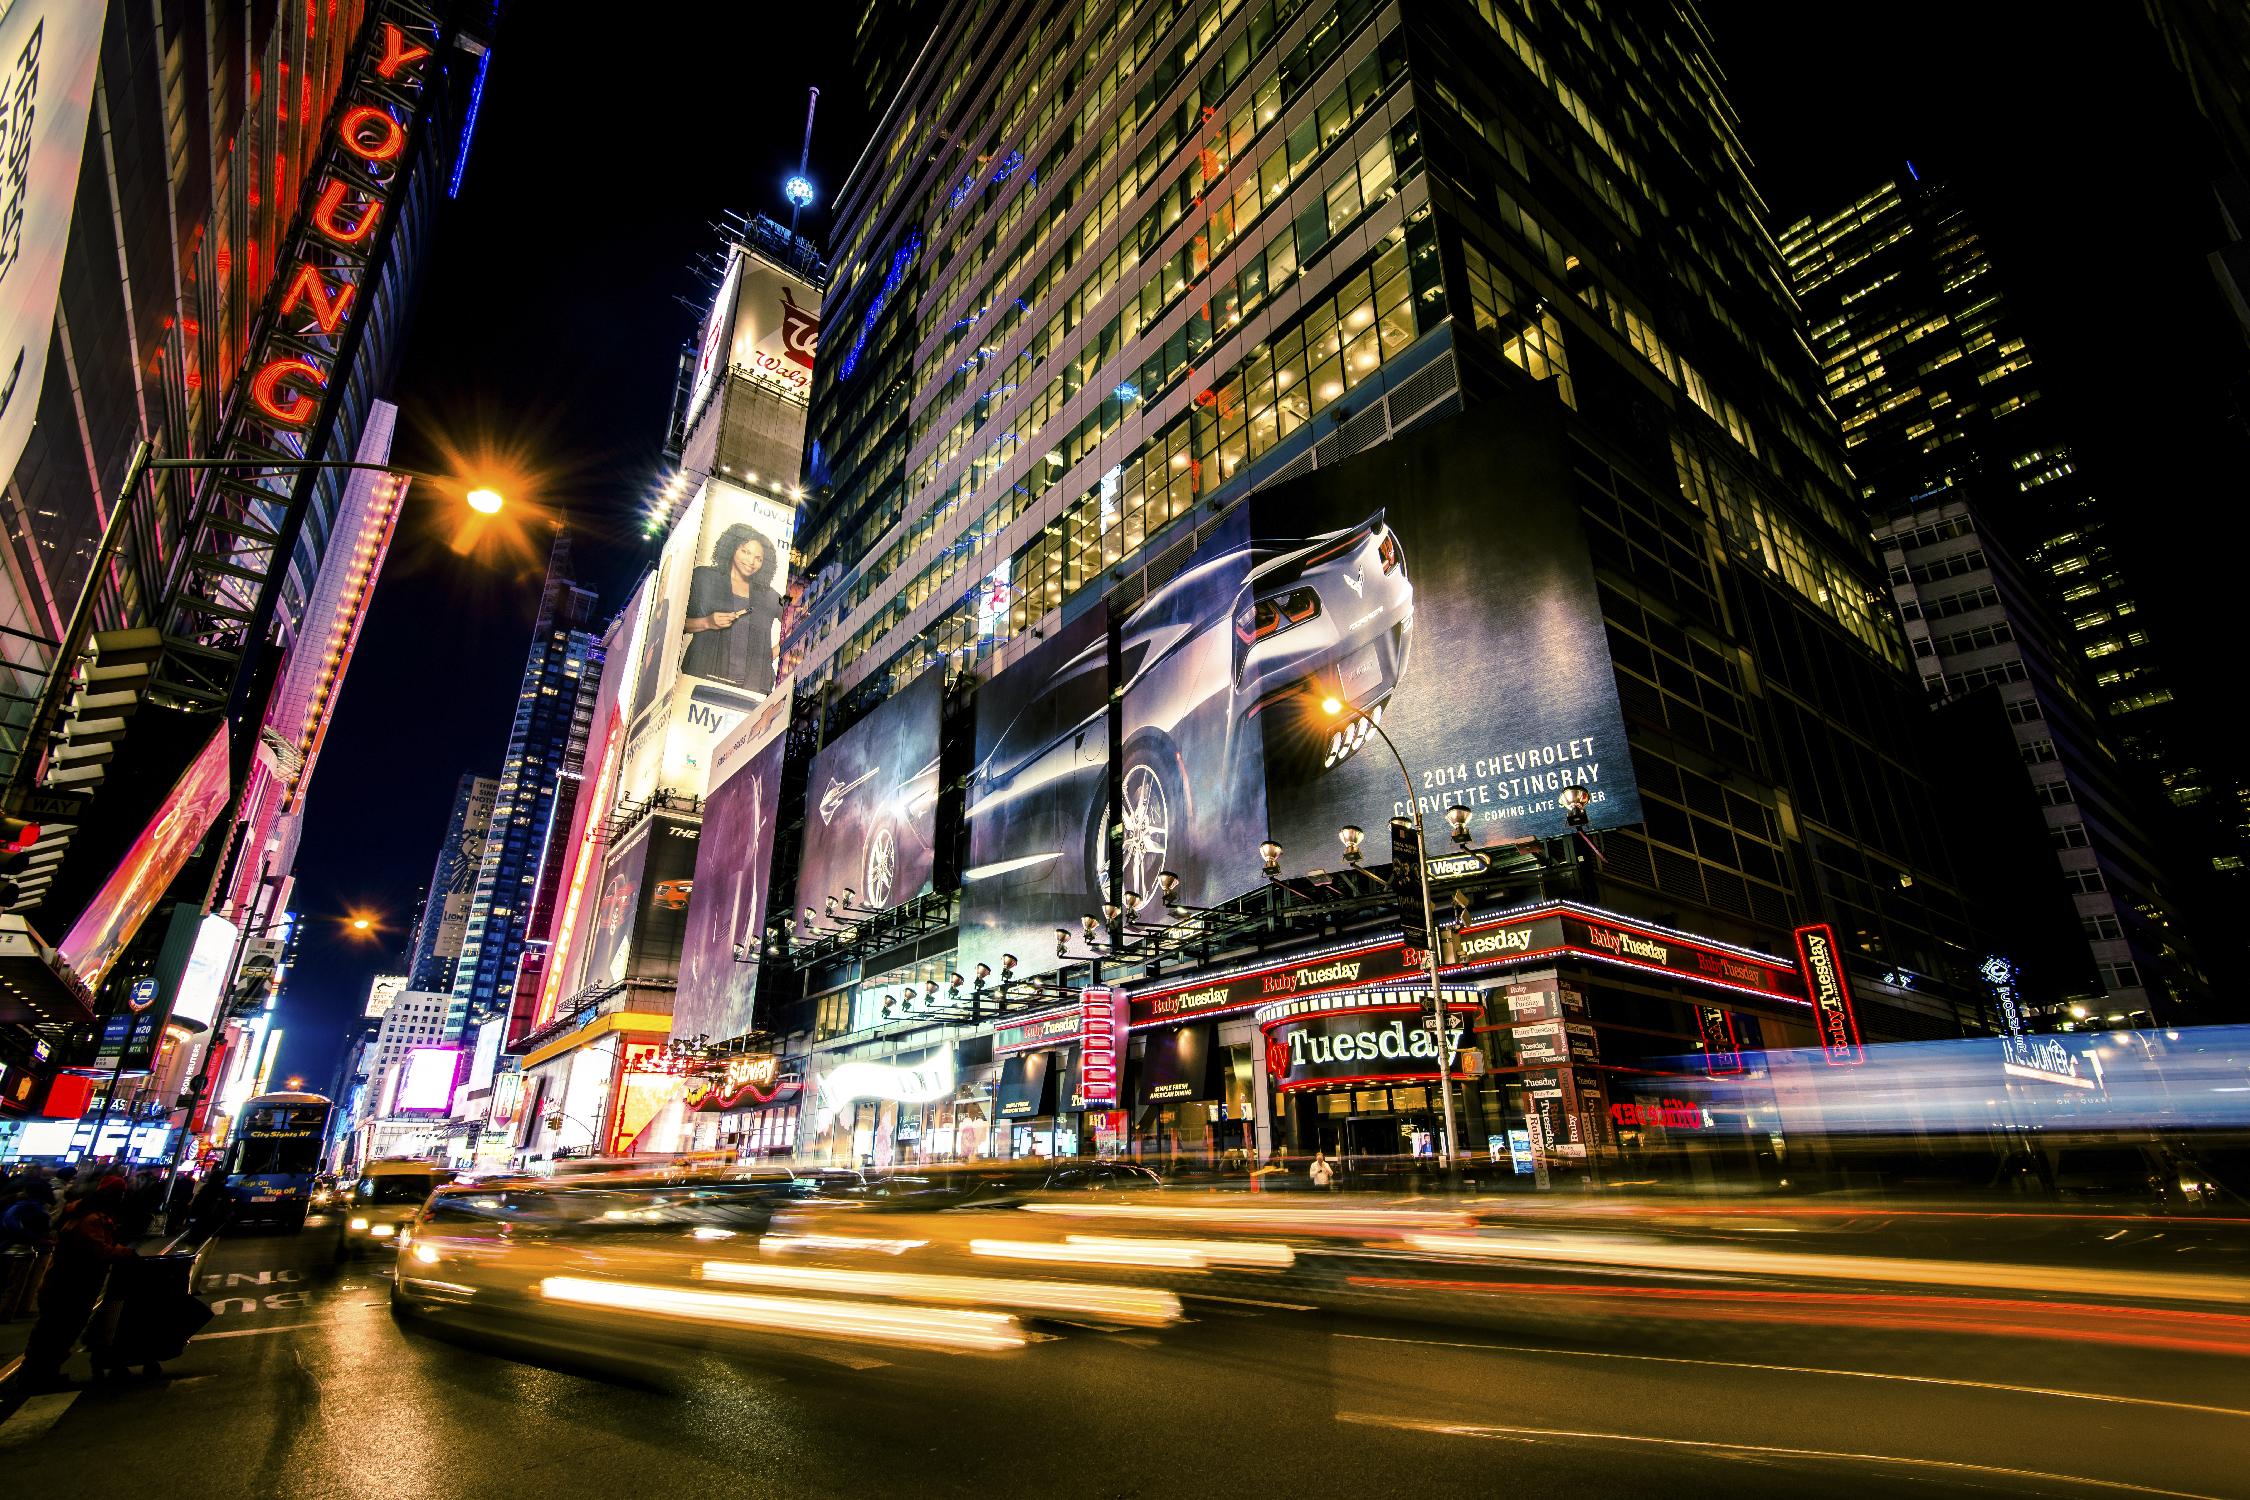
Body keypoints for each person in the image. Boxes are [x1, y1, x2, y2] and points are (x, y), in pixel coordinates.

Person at [15, 1176, 134, 1392]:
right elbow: (96, 1249)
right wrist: (123, 1253)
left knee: (60, 1330)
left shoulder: (93, 1215)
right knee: (56, 1330)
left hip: (77, 1282)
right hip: (69, 1283)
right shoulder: (90, 1219)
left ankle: (42, 1373)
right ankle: (36, 1376)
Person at [680, 523, 779, 691]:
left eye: (758, 558)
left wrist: (770, 654)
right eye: (745, 552)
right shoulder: (704, 577)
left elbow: (797, 618)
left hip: (752, 687)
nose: (751, 561)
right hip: (703, 677)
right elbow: (675, 626)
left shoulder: (770, 595)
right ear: (732, 548)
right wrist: (707, 622)